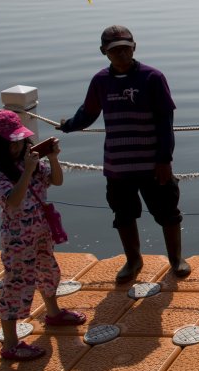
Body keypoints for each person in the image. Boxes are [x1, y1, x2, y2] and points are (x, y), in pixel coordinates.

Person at [59, 25, 190, 282]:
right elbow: (88, 112)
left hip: (153, 164)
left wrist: (164, 159)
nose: (121, 54)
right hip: (118, 166)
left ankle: (176, 259)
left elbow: (165, 121)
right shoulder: (100, 81)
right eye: (114, 50)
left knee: (168, 212)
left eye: (125, 49)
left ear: (134, 47)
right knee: (123, 215)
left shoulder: (152, 78)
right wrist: (69, 125)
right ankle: (133, 261)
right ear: (103, 52)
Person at [0, 110, 86, 361]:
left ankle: (53, 312)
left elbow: (56, 181)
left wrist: (53, 158)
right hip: (17, 238)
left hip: (40, 230)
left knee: (48, 270)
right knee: (16, 285)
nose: (17, 146)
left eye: (19, 141)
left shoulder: (29, 160)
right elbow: (13, 201)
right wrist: (27, 170)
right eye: (11, 143)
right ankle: (10, 344)